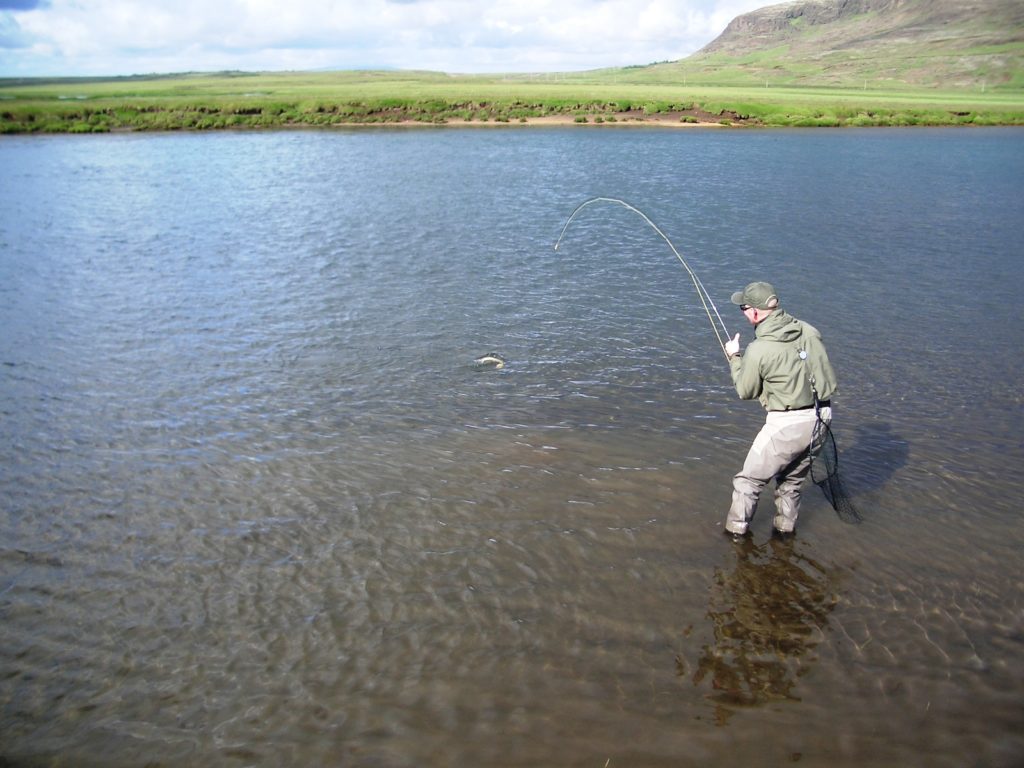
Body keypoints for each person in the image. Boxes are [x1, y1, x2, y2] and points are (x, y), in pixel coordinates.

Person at [722, 282, 837, 539]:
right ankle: (784, 537)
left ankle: (734, 539)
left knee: (748, 482)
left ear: (754, 312)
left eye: (743, 307)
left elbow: (745, 391)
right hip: (823, 418)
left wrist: (734, 357)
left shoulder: (758, 349)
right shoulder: (809, 330)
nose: (742, 312)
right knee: (791, 482)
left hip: (788, 424)